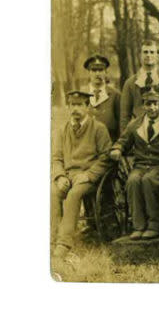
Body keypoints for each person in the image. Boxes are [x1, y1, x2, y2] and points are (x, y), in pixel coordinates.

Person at [110, 86, 159, 240]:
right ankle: (138, 225)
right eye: (148, 104)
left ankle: (154, 224)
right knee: (133, 181)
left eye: (155, 103)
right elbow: (123, 140)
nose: (152, 107)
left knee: (148, 180)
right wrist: (117, 148)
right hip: (140, 166)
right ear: (143, 105)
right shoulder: (136, 124)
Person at [51, 91, 112, 258]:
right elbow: (56, 158)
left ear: (88, 106)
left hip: (88, 176)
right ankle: (51, 239)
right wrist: (60, 176)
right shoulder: (62, 130)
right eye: (72, 105)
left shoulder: (98, 128)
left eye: (79, 105)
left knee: (73, 194)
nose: (75, 109)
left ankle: (63, 243)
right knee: (53, 192)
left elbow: (106, 157)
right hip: (68, 175)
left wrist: (89, 174)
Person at [120, 40, 159, 132]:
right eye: (145, 52)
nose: (148, 55)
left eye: (152, 52)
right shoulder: (130, 83)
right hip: (139, 132)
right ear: (140, 55)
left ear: (157, 55)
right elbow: (124, 116)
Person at [83, 55, 121, 141]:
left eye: (100, 70)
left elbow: (121, 125)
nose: (97, 73)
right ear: (88, 72)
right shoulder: (82, 95)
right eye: (93, 70)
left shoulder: (115, 95)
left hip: (110, 144)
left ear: (106, 72)